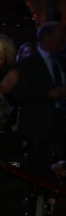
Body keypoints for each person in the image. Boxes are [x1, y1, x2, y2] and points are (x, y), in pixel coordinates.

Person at [13, 21, 66, 176]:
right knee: (39, 168)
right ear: (46, 37)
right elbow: (18, 94)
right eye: (59, 37)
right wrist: (47, 94)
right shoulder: (27, 63)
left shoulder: (61, 61)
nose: (62, 41)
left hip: (60, 123)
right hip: (38, 126)